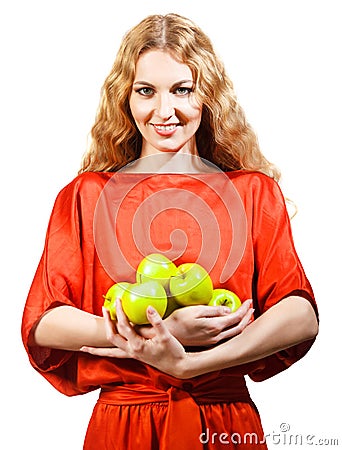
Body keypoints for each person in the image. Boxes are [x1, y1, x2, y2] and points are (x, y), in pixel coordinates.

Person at [21, 13, 319, 450]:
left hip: (223, 423)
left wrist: (194, 364)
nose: (165, 111)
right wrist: (157, 336)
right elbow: (44, 321)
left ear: (208, 96)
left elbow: (301, 315)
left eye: (183, 89)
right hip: (125, 425)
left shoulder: (253, 192)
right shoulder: (87, 195)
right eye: (146, 91)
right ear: (126, 98)